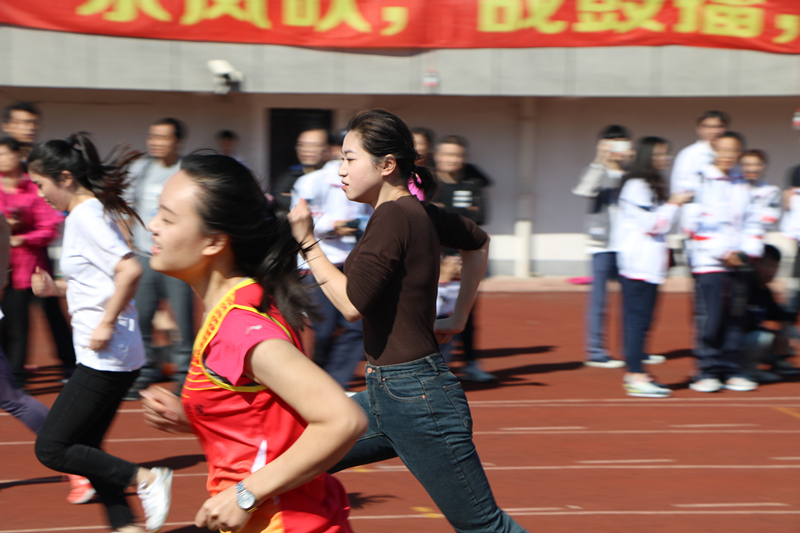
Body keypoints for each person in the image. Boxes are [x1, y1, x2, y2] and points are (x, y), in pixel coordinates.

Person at [289, 109, 527, 532]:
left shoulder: (395, 216)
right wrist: (457, 317)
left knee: (485, 526)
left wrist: (307, 242)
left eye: (349, 159)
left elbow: (351, 304)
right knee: (285, 468)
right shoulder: (412, 211)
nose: (339, 171)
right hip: (385, 396)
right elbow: (478, 242)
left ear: (386, 165)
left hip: (419, 401)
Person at [138, 153, 367, 533]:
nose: (152, 225)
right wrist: (196, 417)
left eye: (168, 217)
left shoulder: (240, 327)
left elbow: (343, 419)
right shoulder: (241, 303)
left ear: (214, 241)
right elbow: (265, 416)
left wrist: (246, 493)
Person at [28, 133, 172, 533]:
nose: (39, 194)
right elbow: (100, 280)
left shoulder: (86, 216)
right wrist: (57, 288)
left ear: (65, 177)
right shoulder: (84, 215)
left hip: (107, 354)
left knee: (52, 447)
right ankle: (125, 526)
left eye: (40, 184)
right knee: (88, 449)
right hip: (110, 353)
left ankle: (146, 478)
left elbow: (129, 269)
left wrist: (106, 322)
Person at [681, 131, 762, 393]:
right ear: (714, 150)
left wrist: (746, 252)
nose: (728, 155)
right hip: (709, 262)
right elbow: (691, 224)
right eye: (723, 149)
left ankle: (732, 369)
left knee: (737, 317)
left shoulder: (742, 182)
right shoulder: (699, 179)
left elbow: (752, 220)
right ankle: (707, 370)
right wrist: (723, 252)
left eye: (734, 151)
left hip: (740, 261)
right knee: (711, 317)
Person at [615, 137, 693, 398]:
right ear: (646, 156)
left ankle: (638, 371)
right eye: (658, 154)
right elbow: (655, 224)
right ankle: (635, 374)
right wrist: (674, 203)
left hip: (650, 265)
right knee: (638, 320)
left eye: (666, 154)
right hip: (638, 264)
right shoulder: (636, 186)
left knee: (644, 321)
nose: (664, 159)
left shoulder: (651, 184)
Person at [291, 137, 372, 389]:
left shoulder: (365, 179)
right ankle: (316, 380)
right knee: (323, 331)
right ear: (334, 150)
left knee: (357, 327)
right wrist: (334, 226)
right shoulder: (311, 181)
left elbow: (370, 215)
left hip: (352, 263)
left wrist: (359, 227)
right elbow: (299, 217)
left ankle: (334, 383)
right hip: (317, 262)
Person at [125, 117, 195, 400]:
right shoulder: (139, 169)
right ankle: (143, 374)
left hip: (177, 259)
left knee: (183, 322)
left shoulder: (187, 171)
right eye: (152, 136)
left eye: (163, 137)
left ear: (177, 142)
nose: (156, 142)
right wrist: (128, 246)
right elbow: (125, 209)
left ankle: (185, 377)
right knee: (140, 321)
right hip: (144, 256)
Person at [0, 136, 76, 385]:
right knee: (9, 321)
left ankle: (64, 364)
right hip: (4, 267)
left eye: (5, 154)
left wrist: (21, 238)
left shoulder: (33, 187)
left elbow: (49, 226)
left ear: (17, 156)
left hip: (31, 266)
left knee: (42, 319)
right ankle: (12, 373)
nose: (2, 159)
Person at [431, 134, 495, 382]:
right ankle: (430, 368)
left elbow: (480, 216)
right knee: (433, 315)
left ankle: (470, 363)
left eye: (456, 154)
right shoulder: (429, 182)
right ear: (437, 156)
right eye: (446, 154)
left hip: (464, 258)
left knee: (466, 314)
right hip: (435, 259)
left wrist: (448, 214)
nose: (451, 159)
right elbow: (429, 219)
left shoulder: (471, 183)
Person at [573, 125, 632, 368]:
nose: (617, 148)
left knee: (632, 301)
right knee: (599, 300)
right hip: (602, 245)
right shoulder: (596, 170)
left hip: (629, 245)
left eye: (622, 142)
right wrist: (600, 160)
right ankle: (596, 351)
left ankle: (632, 349)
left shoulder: (632, 173)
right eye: (612, 142)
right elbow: (583, 190)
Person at [743, 245, 800, 382]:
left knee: (791, 331)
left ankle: (778, 362)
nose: (772, 271)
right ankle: (746, 370)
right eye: (768, 265)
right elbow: (741, 326)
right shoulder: (745, 288)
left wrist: (785, 329)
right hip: (734, 345)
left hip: (751, 340)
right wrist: (775, 334)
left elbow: (780, 315)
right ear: (755, 264)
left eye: (775, 267)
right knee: (764, 338)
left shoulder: (765, 291)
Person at [271, 126, 330, 217]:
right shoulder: (289, 178)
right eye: (301, 145)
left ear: (329, 148)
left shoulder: (339, 177)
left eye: (315, 145)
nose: (306, 150)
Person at [670, 110, 730, 194]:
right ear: (698, 129)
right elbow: (681, 188)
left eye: (719, 127)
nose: (714, 131)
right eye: (708, 127)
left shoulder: (732, 153)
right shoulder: (690, 154)